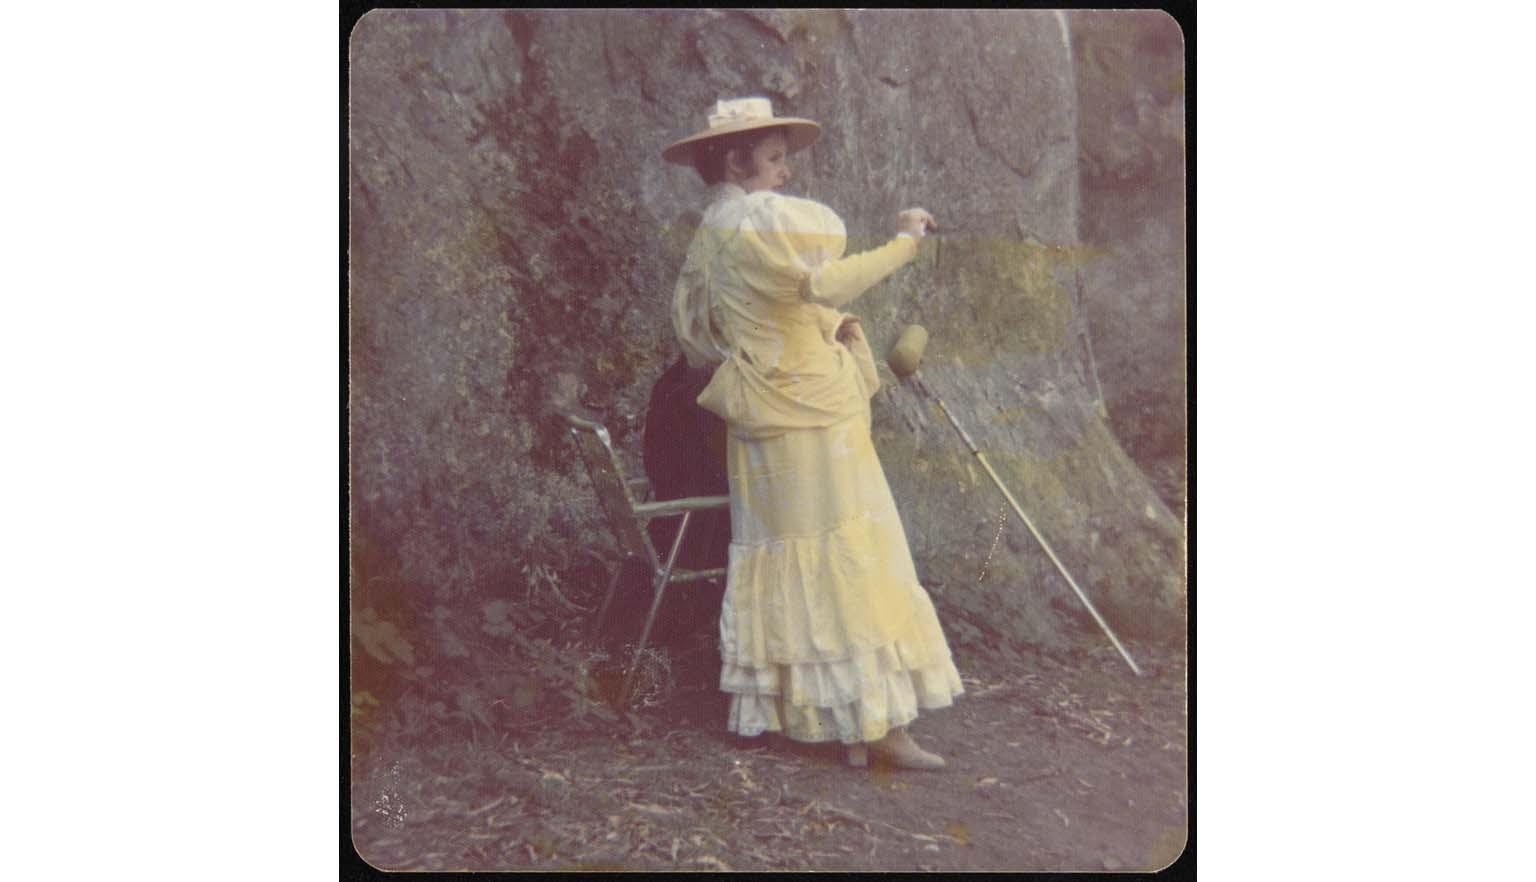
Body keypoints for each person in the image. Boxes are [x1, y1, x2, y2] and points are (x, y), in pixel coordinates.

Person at [661, 97, 964, 769]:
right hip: (811, 414)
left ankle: (816, 715)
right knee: (847, 551)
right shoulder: (761, 219)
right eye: (772, 159)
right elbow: (828, 283)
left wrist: (811, 331)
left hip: (762, 414)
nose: (785, 172)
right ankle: (876, 723)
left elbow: (731, 322)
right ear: (737, 161)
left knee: (788, 552)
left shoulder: (713, 228)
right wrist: (905, 240)